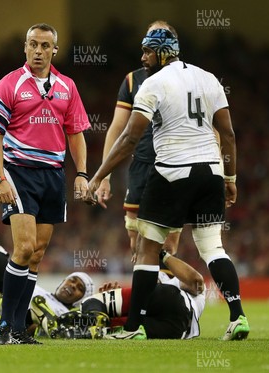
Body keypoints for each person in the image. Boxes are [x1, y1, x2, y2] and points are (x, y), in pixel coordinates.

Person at [87, 27, 249, 340]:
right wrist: (229, 178)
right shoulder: (208, 77)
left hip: (172, 172)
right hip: (210, 172)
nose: (142, 57)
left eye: (147, 51)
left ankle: (132, 329)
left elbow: (130, 138)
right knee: (213, 247)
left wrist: (98, 175)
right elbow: (227, 135)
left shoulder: (153, 83)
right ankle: (237, 316)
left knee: (148, 247)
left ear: (162, 52)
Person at [0, 22, 92, 345]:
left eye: (45, 46)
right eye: (33, 44)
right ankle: (4, 326)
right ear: (25, 48)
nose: (39, 51)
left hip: (53, 175)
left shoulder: (67, 87)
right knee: (24, 246)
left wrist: (82, 173)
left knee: (37, 253)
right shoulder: (10, 84)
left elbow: (76, 133)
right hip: (19, 172)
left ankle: (18, 329)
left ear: (54, 50)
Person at [94, 21, 181, 263]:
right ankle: (145, 294)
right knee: (136, 240)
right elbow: (117, 128)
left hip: (173, 164)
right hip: (141, 166)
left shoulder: (185, 78)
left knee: (169, 243)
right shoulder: (133, 81)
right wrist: (106, 176)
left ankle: (165, 294)